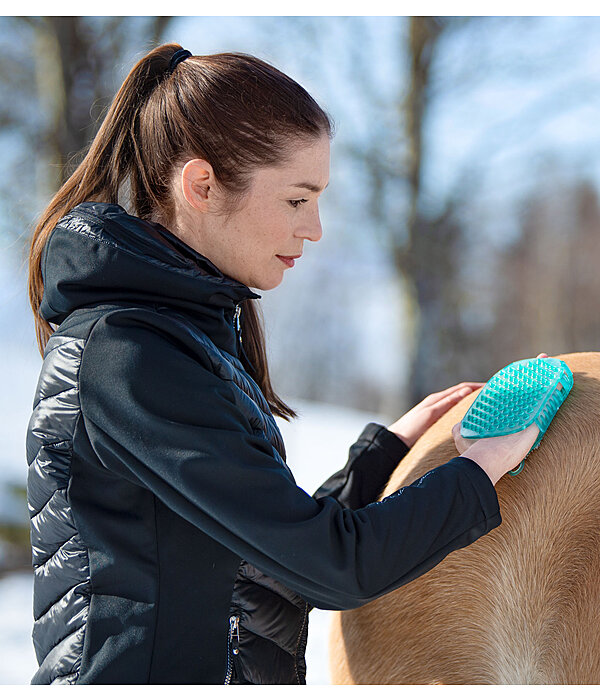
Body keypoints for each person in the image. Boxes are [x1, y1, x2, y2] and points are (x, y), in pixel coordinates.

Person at [25, 43, 543, 685]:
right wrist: (476, 471)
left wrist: (383, 454)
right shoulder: (126, 356)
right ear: (202, 185)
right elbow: (330, 567)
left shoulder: (180, 337)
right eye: (298, 200)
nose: (316, 228)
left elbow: (268, 563)